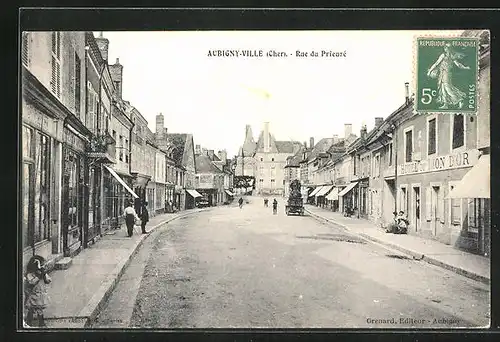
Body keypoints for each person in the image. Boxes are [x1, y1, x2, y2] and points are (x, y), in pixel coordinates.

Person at [427, 43, 471, 109]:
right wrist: (430, 70)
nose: (447, 49)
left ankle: (459, 100)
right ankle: (445, 104)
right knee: (443, 88)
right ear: (445, 49)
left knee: (447, 87)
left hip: (446, 73)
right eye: (446, 48)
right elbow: (437, 64)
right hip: (442, 73)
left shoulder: (448, 56)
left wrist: (465, 67)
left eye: (448, 48)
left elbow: (458, 65)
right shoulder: (448, 56)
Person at [24, 255, 52, 327]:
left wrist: (44, 273)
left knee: (39, 309)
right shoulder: (30, 274)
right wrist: (38, 276)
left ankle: (40, 323)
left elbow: (48, 280)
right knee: (31, 308)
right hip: (33, 294)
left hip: (40, 295)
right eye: (40, 265)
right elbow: (31, 282)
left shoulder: (41, 273)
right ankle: (29, 322)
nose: (42, 266)